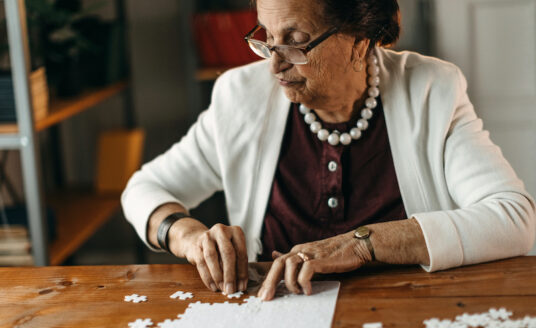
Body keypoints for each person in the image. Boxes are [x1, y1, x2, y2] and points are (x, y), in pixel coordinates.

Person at [121, 0, 535, 301]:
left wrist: (360, 244)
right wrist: (187, 236)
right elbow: (145, 188)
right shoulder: (240, 96)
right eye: (266, 37)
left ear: (360, 42)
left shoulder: (432, 90)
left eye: (295, 43)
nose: (274, 65)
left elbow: (514, 219)